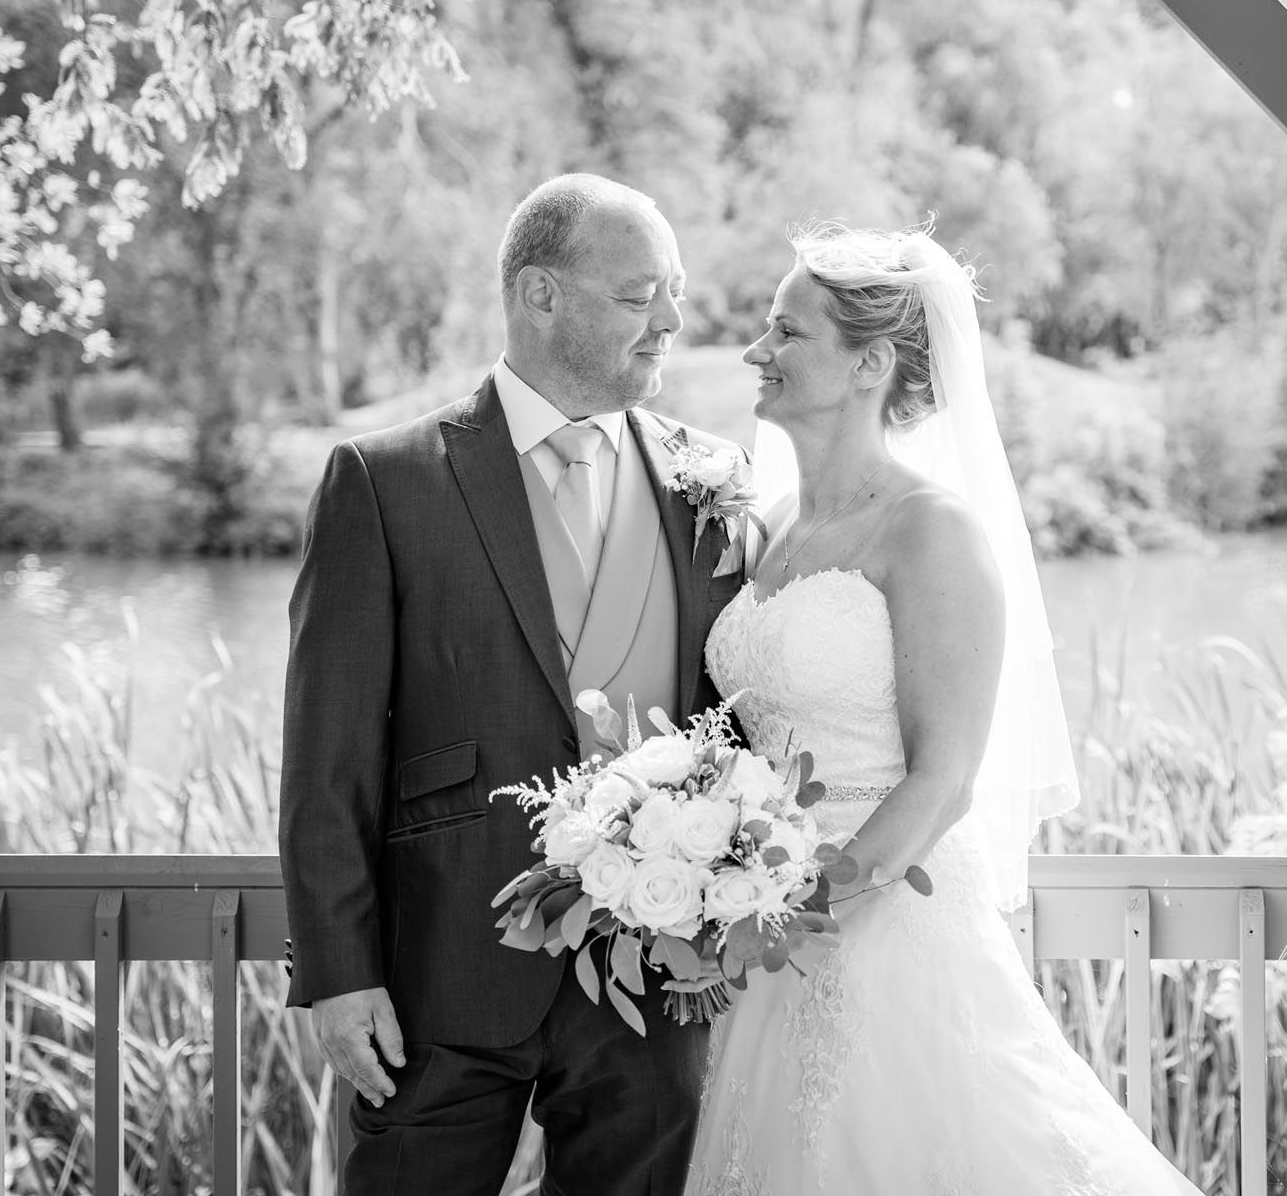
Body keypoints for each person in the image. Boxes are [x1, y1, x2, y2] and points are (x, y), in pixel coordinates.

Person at [686, 224, 1208, 1194]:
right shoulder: (771, 528)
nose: (757, 352)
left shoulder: (932, 532)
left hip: (881, 926)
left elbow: (945, 779)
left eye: (785, 332)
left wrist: (791, 918)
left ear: (869, 363)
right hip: (757, 931)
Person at [279, 173, 746, 1196]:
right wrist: (337, 970)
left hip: (656, 987)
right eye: (639, 296)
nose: (672, 320)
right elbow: (328, 755)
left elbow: (740, 720)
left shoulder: (714, 481)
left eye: (671, 292)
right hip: (437, 979)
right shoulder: (384, 480)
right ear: (540, 295)